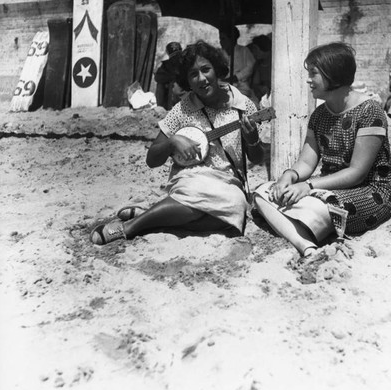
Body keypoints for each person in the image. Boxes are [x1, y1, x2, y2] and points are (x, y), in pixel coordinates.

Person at [90, 41, 264, 245]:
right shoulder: (182, 110)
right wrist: (172, 142)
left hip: (228, 182)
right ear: (187, 81)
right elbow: (152, 159)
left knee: (236, 207)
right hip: (190, 178)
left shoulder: (243, 106)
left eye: (206, 70)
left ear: (217, 71)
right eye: (193, 74)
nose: (202, 79)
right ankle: (130, 227)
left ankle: (155, 220)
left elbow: (257, 158)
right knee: (213, 200)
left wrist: (252, 141)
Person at [253, 42, 391, 257]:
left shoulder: (370, 111)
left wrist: (308, 186)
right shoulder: (319, 115)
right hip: (326, 185)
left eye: (314, 73)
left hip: (369, 190)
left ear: (333, 74)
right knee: (262, 192)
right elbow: (306, 162)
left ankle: (303, 235)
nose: (309, 80)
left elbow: (357, 173)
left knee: (320, 206)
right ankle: (306, 243)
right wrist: (288, 177)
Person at [218, 24, 257, 102]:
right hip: (222, 85)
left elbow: (250, 67)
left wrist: (236, 77)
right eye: (220, 39)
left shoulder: (244, 51)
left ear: (232, 39)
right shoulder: (220, 54)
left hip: (241, 87)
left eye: (223, 39)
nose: (221, 42)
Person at [154, 42, 186, 110]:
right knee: (162, 85)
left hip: (186, 92)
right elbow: (157, 77)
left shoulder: (186, 62)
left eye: (178, 55)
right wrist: (171, 78)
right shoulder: (167, 65)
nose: (176, 58)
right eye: (174, 56)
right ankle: (162, 109)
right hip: (171, 93)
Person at [248, 34, 272, 102]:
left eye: (256, 49)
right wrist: (261, 88)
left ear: (263, 48)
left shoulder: (275, 64)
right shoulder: (258, 65)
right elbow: (255, 84)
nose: (254, 52)